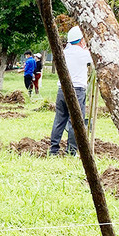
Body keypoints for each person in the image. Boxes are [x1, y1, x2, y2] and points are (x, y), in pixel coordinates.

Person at [49, 26, 93, 156]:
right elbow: (94, 58)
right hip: (77, 91)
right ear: (81, 40)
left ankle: (53, 150)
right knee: (76, 122)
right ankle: (71, 151)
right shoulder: (83, 54)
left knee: (59, 120)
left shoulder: (63, 53)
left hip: (61, 90)